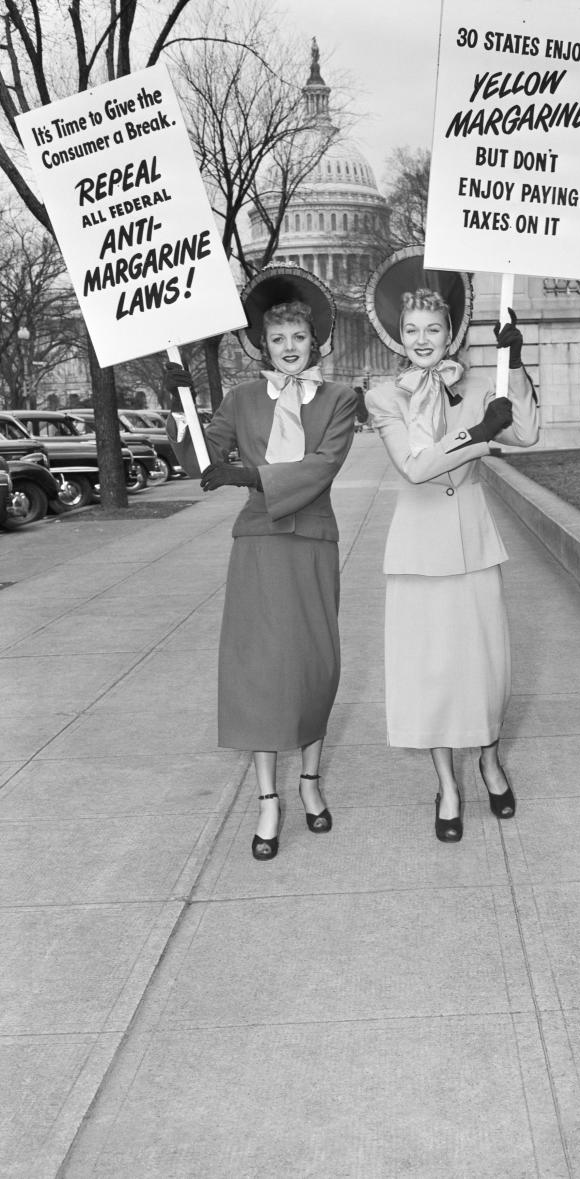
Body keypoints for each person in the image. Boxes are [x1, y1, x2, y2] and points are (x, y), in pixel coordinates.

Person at [164, 264, 357, 860]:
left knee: (312, 666)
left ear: (315, 341)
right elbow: (197, 456)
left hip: (312, 542)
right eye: (278, 339)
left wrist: (250, 473)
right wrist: (181, 403)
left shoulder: (339, 399)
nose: (290, 348)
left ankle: (310, 781)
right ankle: (269, 799)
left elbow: (322, 466)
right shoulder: (242, 399)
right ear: (261, 347)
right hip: (258, 544)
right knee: (259, 672)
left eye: (299, 337)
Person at [363, 247, 540, 842]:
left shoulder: (475, 386)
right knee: (430, 673)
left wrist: (512, 364)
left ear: (450, 332)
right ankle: (446, 785)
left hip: (470, 545)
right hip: (416, 553)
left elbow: (527, 433)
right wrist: (475, 435)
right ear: (397, 333)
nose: (421, 338)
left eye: (432, 329)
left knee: (482, 667)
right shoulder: (384, 397)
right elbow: (415, 468)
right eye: (411, 329)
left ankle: (489, 760)